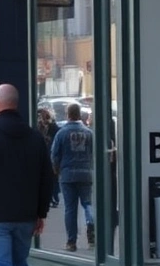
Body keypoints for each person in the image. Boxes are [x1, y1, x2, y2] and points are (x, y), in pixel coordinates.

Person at [0, 84, 54, 266]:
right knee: (19, 261)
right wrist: (41, 213)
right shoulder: (35, 138)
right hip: (26, 216)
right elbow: (46, 177)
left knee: (0, 263)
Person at [51, 102, 95, 252]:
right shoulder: (88, 132)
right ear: (79, 114)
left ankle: (71, 242)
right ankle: (91, 225)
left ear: (68, 114)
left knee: (70, 209)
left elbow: (54, 155)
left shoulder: (62, 133)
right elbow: (94, 153)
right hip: (86, 174)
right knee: (87, 204)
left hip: (68, 175)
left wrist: (57, 171)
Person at [36, 108, 60, 208]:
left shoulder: (53, 127)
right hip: (43, 155)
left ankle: (53, 197)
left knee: (52, 178)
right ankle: (51, 198)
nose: (40, 119)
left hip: (49, 155)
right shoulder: (39, 127)